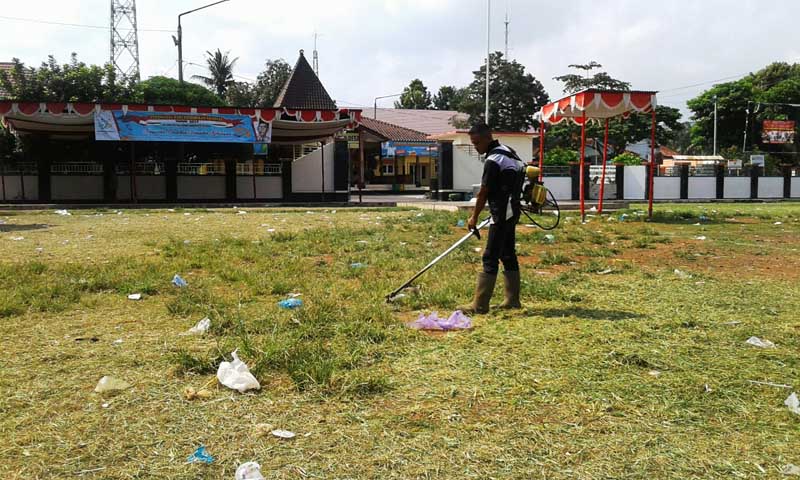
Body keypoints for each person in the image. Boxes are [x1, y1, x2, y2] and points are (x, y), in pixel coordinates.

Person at [458, 123, 526, 314]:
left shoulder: (494, 160)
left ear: (487, 138)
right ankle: (512, 301)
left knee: (490, 256)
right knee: (507, 253)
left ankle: (479, 305)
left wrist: (473, 217)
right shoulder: (508, 151)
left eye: (477, 142)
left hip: (503, 212)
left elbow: (483, 192)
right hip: (512, 209)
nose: (476, 147)